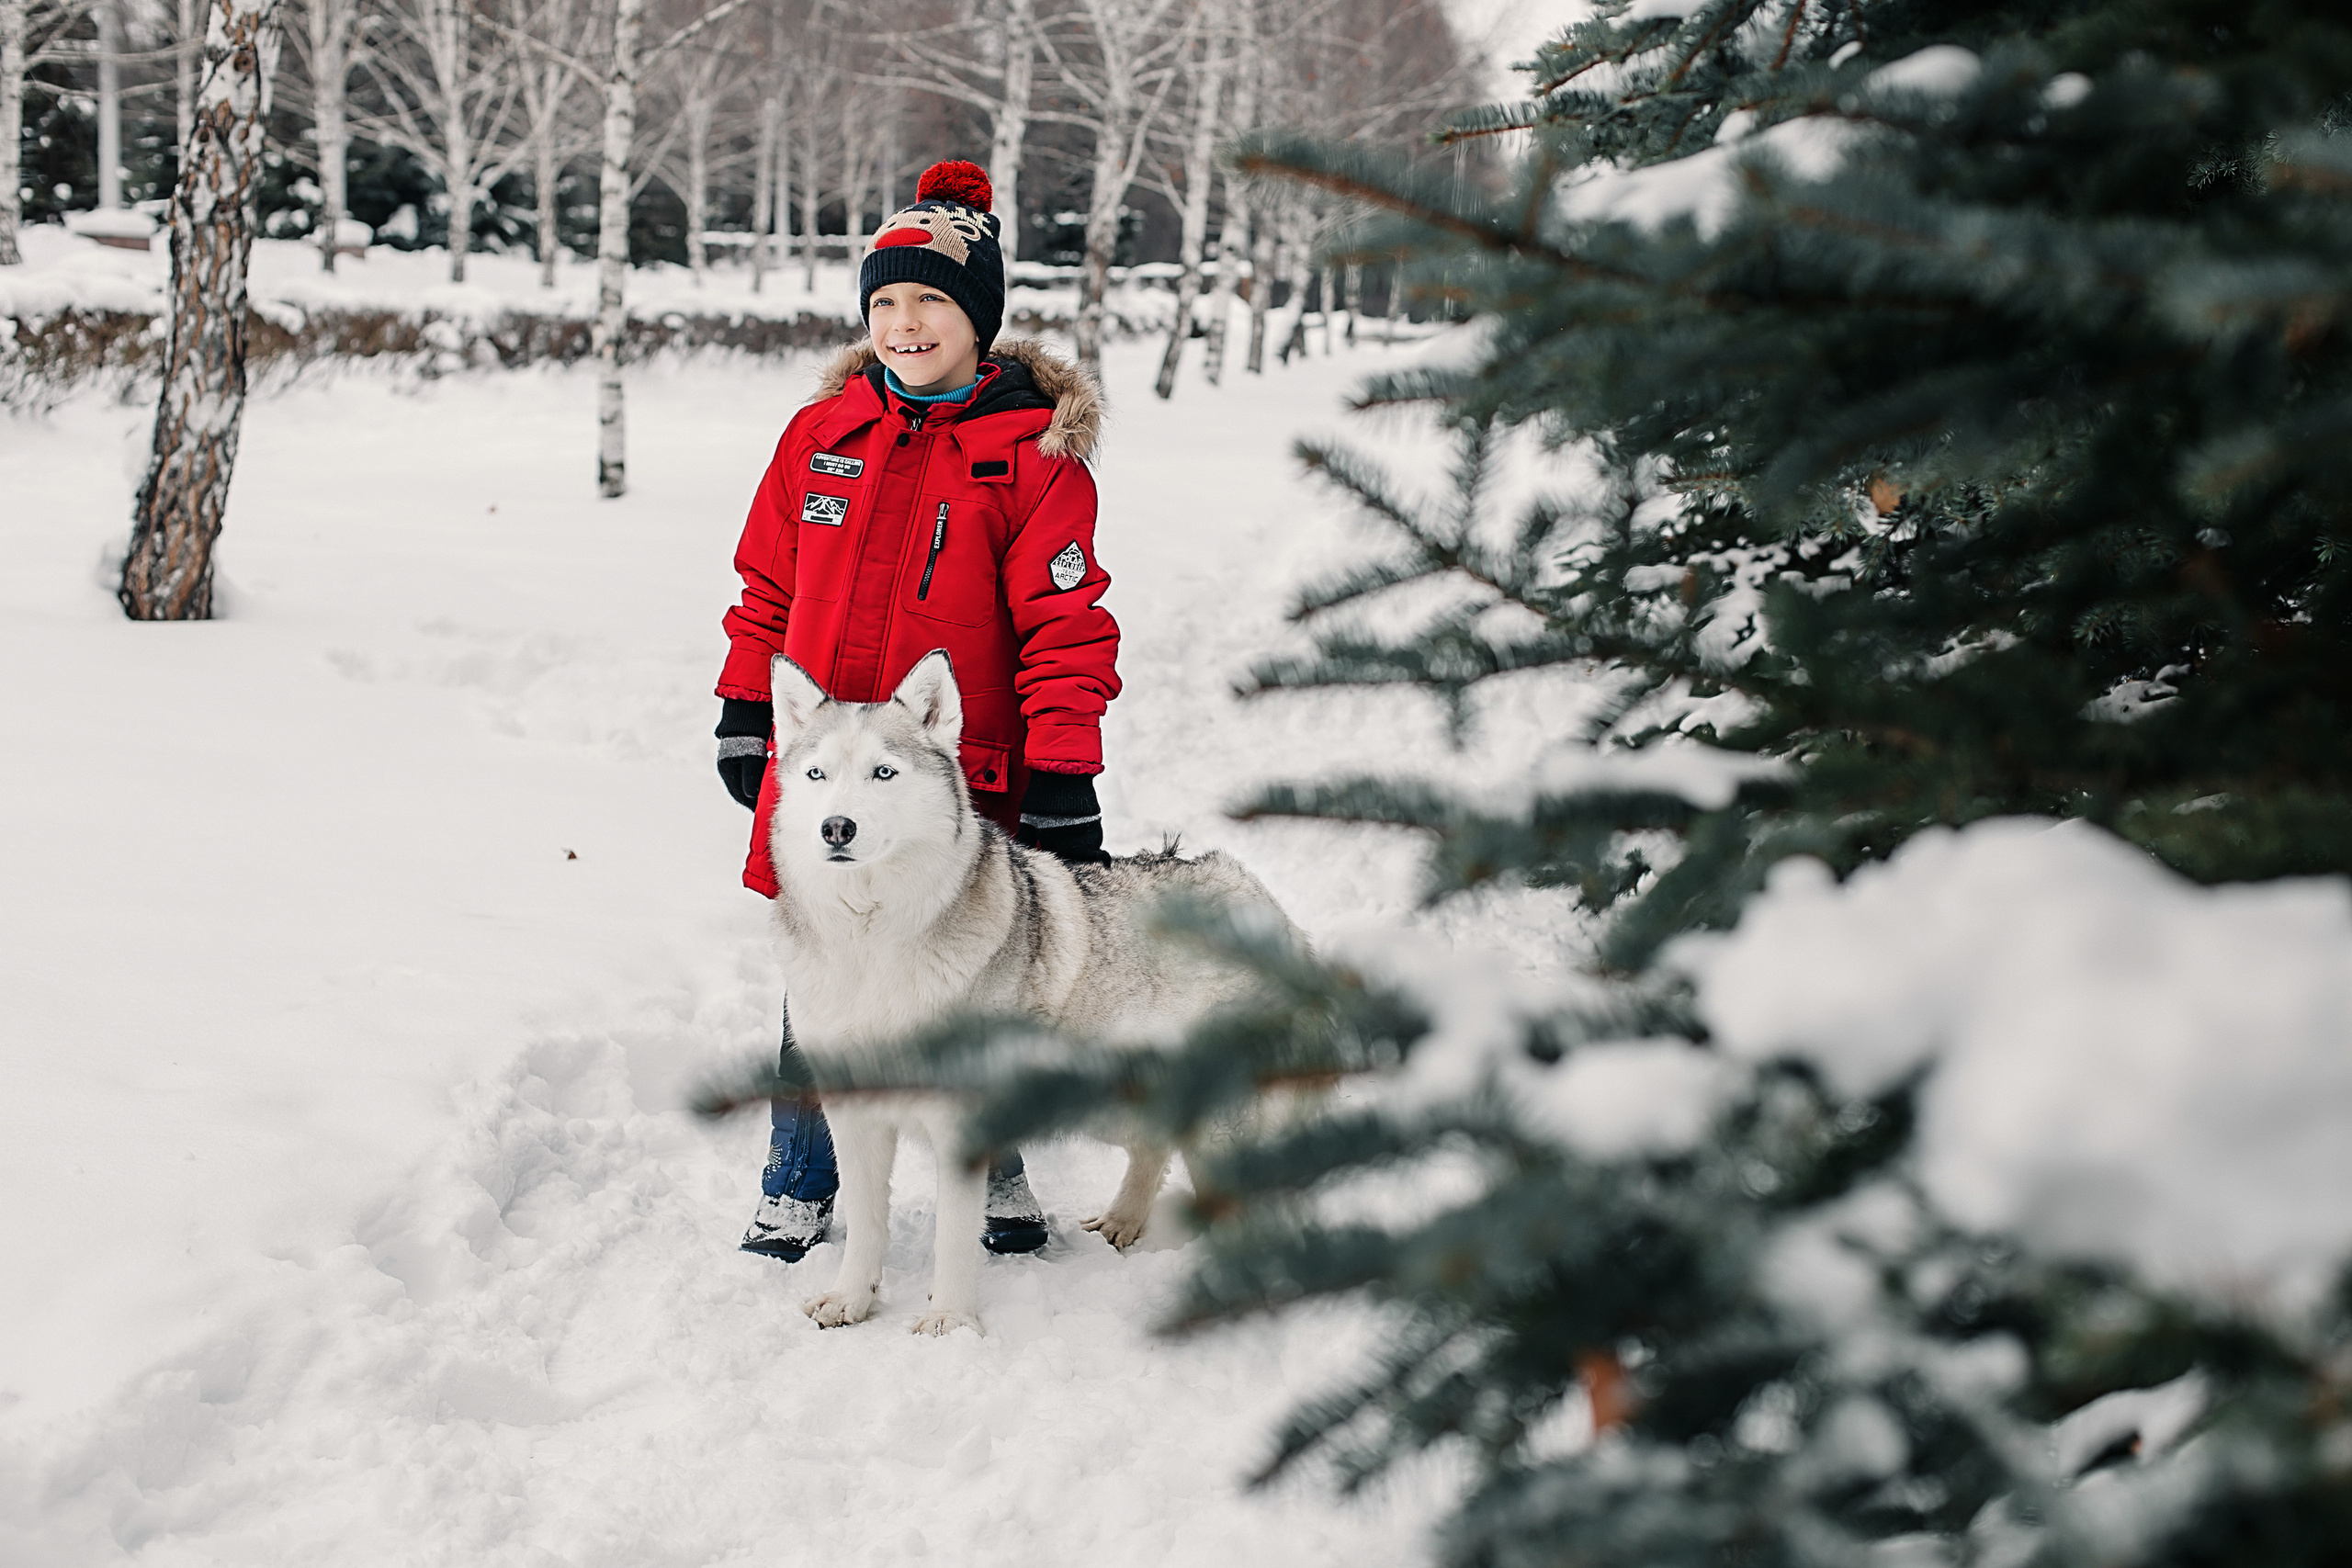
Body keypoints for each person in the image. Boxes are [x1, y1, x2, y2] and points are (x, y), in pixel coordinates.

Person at [713, 159, 1121, 1263]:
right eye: (885, 302)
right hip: (827, 776)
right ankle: (800, 1177)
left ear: (978, 318)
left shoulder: (1030, 455)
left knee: (970, 980)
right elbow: (766, 588)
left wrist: (1066, 766)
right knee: (826, 966)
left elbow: (1067, 623)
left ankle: (988, 1170)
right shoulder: (821, 437)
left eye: (932, 300)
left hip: (959, 778)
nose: (904, 323)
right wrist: (746, 716)